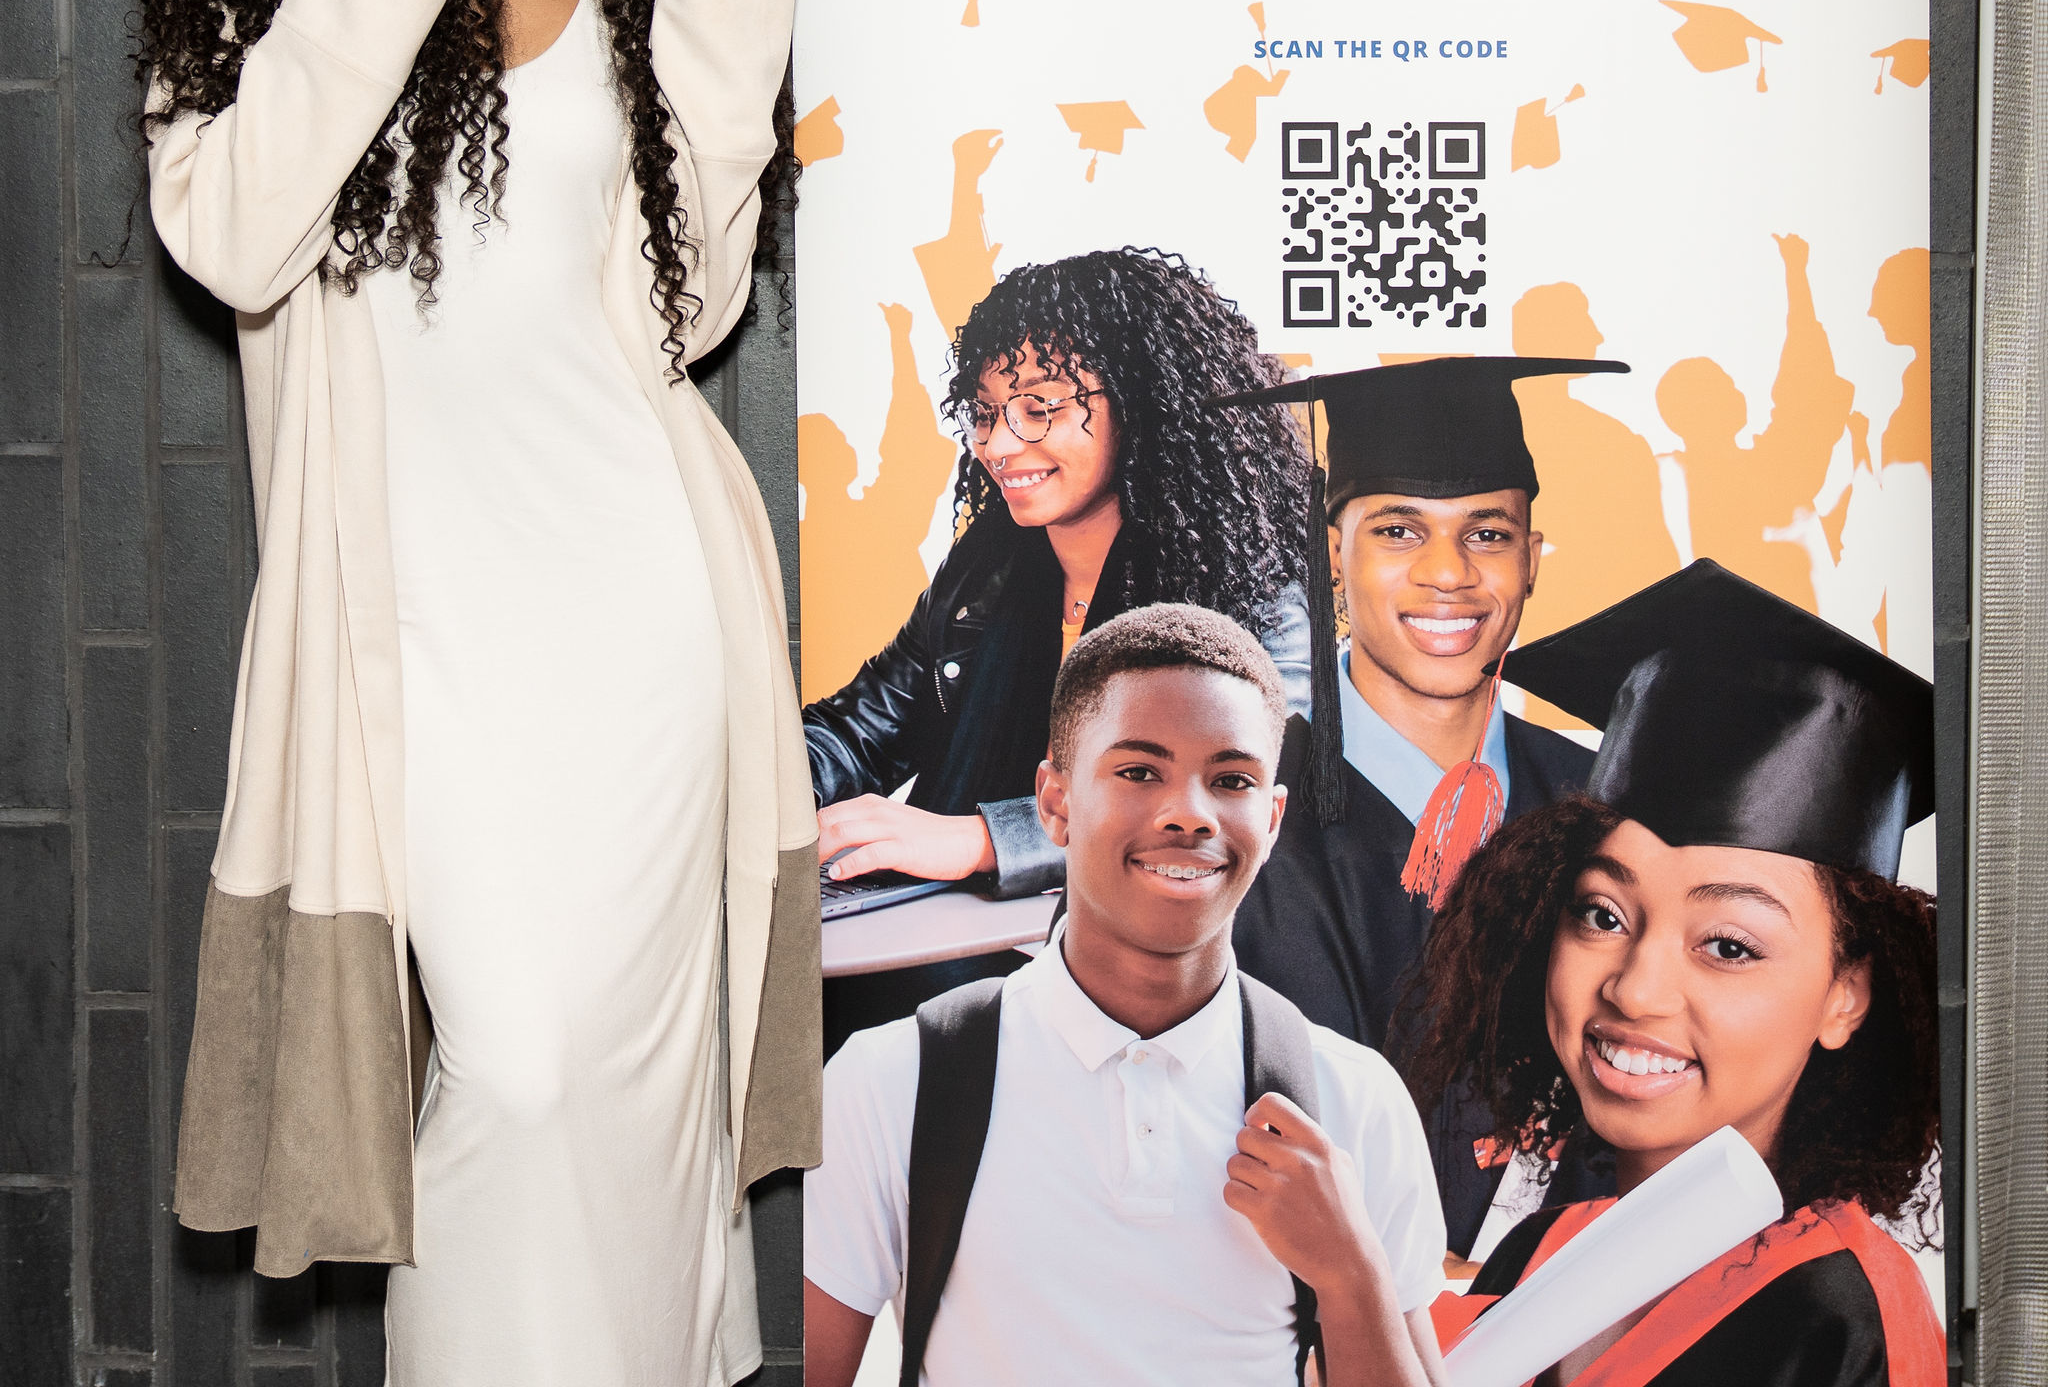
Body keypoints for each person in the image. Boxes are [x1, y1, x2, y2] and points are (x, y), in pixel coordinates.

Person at [138, 0, 819, 1387]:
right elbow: (234, 232)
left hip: (644, 610)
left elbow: (682, 317)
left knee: (636, 1082)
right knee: (515, 1070)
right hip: (424, 627)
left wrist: (712, 17)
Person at [802, 604, 1451, 1386]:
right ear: (1055, 803)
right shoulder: (890, 1085)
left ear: (1273, 819)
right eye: (1140, 772)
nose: (1190, 814)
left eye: (1232, 780)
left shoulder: (1354, 1102)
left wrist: (1350, 1274)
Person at [1406, 561, 1943, 1385]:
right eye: (1602, 915)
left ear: (1848, 995)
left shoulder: (1837, 1315)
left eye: (1728, 946)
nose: (1634, 989)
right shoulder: (1539, 1252)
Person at [805, 248, 1330, 1042]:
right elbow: (863, 728)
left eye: (1040, 407)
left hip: (1152, 995)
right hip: (952, 955)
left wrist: (982, 839)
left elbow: (1228, 802)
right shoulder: (991, 567)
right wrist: (755, 792)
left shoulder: (1252, 592)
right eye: (986, 412)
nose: (999, 444)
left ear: (1143, 403)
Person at [1226, 356, 1623, 1250]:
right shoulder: (1235, 819)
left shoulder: (1607, 807)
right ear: (1335, 554)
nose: (1449, 573)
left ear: (1532, 560)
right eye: (1399, 531)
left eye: (1488, 533)